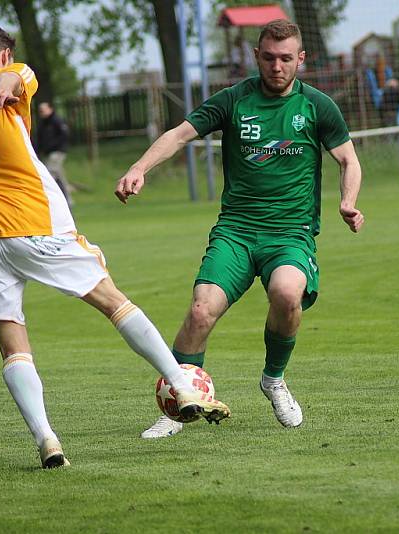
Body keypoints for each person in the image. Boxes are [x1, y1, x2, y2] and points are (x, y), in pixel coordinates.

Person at [0, 26, 229, 468]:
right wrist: (5, 84)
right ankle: (180, 384)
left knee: (13, 346)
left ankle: (47, 440)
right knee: (112, 301)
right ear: (5, 54)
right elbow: (16, 78)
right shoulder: (11, 75)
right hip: (32, 222)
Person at [116, 19, 364, 439]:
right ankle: (178, 404)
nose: (277, 66)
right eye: (269, 57)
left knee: (287, 294)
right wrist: (139, 167)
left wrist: (348, 201)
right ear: (256, 57)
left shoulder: (318, 107)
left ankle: (274, 380)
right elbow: (179, 135)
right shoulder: (233, 101)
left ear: (300, 59)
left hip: (290, 233)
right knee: (200, 310)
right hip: (236, 231)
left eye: (286, 58)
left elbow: (348, 160)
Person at [35, 102, 73, 207]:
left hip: (57, 151)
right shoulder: (42, 123)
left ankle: (47, 200)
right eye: (40, 111)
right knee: (60, 177)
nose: (41, 113)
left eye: (43, 110)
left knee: (49, 174)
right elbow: (39, 139)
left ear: (50, 109)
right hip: (48, 153)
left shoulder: (56, 120)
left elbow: (64, 135)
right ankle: (67, 200)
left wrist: (53, 145)